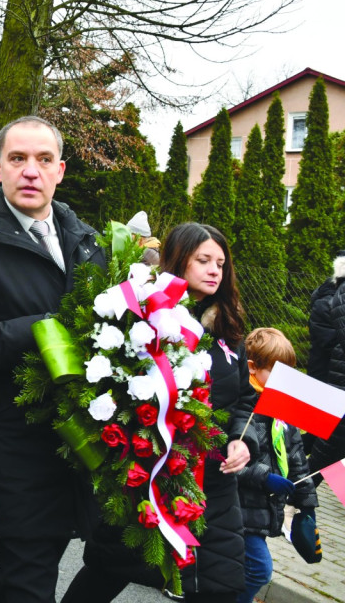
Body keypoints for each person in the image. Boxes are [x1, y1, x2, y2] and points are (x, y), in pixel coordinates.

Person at [0, 116, 105, 603]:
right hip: (10, 443)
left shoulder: (86, 240)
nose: (31, 170)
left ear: (61, 170)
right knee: (29, 585)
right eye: (18, 159)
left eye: (44, 159)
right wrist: (46, 328)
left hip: (77, 442)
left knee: (21, 579)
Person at [62, 222, 257, 603]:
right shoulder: (147, 316)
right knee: (106, 574)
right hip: (151, 476)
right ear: (179, 260)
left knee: (219, 587)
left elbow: (247, 401)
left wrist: (243, 438)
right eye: (203, 260)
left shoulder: (229, 330)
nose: (215, 269)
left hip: (214, 488)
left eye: (220, 262)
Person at [236, 328, 318, 603]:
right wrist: (264, 478)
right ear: (252, 367)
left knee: (236, 568)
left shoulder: (283, 406)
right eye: (277, 371)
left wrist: (307, 507)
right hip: (239, 506)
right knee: (259, 570)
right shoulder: (242, 404)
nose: (285, 380)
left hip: (263, 510)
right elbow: (227, 460)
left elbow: (296, 459)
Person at [308, 251, 345, 472]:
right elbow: (327, 342)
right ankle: (297, 494)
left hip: (331, 384)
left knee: (326, 451)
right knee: (323, 451)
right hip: (328, 385)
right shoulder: (330, 299)